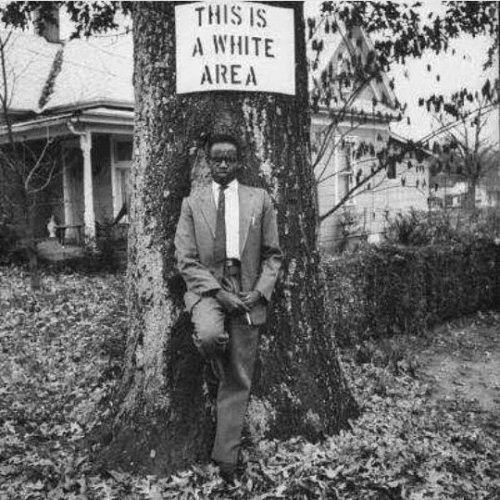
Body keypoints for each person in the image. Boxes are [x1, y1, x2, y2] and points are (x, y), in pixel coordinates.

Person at [174, 134, 282, 480]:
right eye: (216, 159)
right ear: (207, 162)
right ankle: (217, 354)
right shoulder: (192, 203)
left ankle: (226, 460)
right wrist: (220, 294)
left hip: (247, 288)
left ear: (239, 162)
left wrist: (259, 292)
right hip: (208, 289)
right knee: (207, 337)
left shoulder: (259, 199)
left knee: (239, 377)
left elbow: (273, 254)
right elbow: (185, 260)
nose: (222, 165)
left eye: (229, 159)